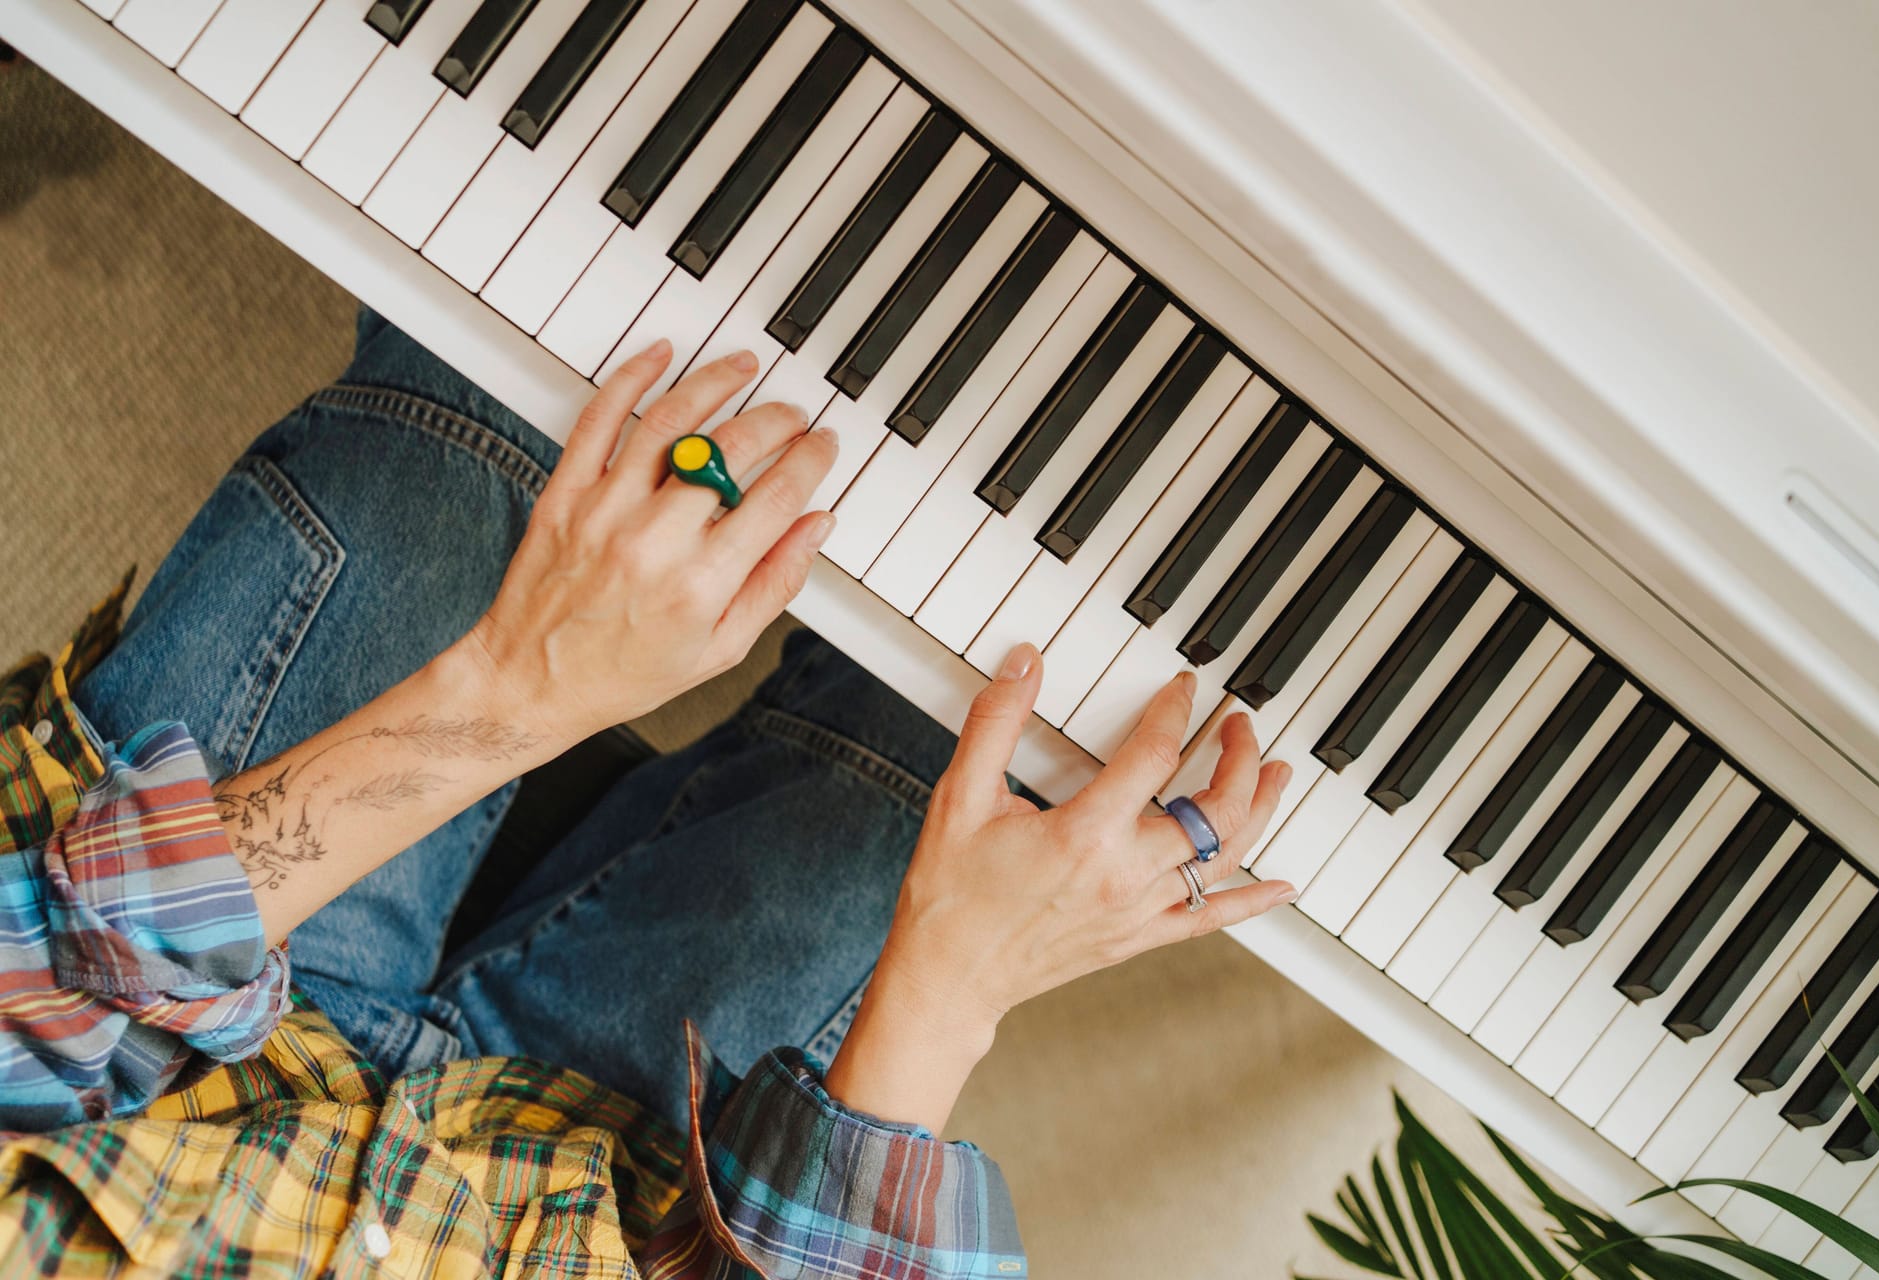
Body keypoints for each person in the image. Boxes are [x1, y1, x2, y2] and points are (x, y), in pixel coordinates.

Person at [0, 311, 1297, 1276]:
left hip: (143, 1041)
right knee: (1025, 745)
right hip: (603, 1193)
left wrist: (513, 687)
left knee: (510, 412)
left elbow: (28, 989)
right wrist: (953, 984)